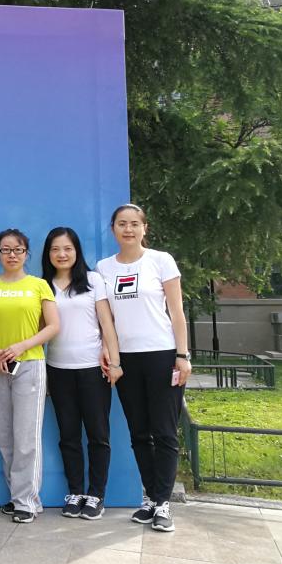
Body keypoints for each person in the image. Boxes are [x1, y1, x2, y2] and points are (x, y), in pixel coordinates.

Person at [97, 204, 190, 533]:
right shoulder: (103, 268)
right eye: (122, 224)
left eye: (134, 224)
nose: (128, 229)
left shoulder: (161, 261)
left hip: (162, 355)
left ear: (144, 228)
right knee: (139, 432)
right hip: (127, 360)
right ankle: (151, 497)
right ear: (113, 229)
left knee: (164, 431)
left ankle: (163, 503)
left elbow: (177, 312)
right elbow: (106, 319)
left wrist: (182, 355)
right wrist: (111, 355)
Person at [41, 226, 121, 520]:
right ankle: (75, 492)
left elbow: (106, 323)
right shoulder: (43, 286)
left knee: (98, 435)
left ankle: (96, 495)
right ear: (48, 254)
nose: (61, 254)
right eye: (55, 249)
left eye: (67, 248)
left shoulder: (92, 280)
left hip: (93, 369)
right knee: (68, 435)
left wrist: (114, 360)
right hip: (58, 369)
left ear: (76, 251)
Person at [0, 228, 60, 523]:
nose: (12, 255)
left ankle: (26, 501)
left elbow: (53, 326)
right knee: (5, 437)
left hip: (30, 365)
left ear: (27, 254)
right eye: (6, 250)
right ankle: (17, 496)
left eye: (18, 250)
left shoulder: (39, 285)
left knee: (27, 436)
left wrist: (21, 346)